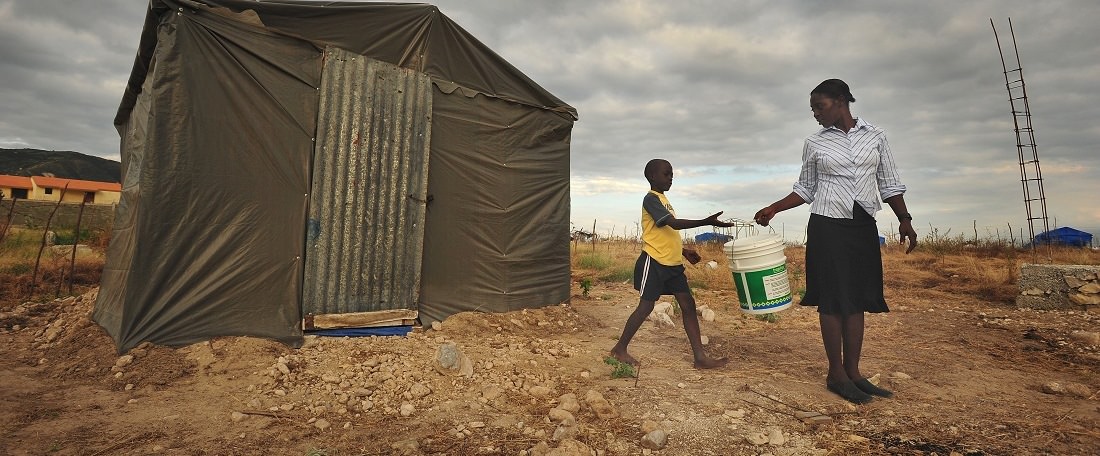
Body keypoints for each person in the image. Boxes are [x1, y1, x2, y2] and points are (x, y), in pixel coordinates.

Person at [754, 78, 917, 404]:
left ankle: (854, 372)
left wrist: (905, 219)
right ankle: (835, 374)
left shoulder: (876, 136)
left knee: (855, 299)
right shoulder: (814, 143)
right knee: (832, 299)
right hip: (827, 226)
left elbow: (889, 183)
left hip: (861, 226)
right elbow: (805, 189)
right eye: (813, 108)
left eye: (820, 106)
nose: (815, 114)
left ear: (841, 101)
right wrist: (774, 207)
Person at [610, 158, 735, 370]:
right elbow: (673, 224)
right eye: (666, 174)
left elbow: (667, 233)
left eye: (672, 174)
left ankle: (700, 357)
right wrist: (706, 221)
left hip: (672, 264)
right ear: (652, 176)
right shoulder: (650, 199)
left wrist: (683, 251)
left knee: (688, 305)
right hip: (655, 261)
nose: (671, 178)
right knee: (646, 306)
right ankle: (619, 349)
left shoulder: (664, 201)